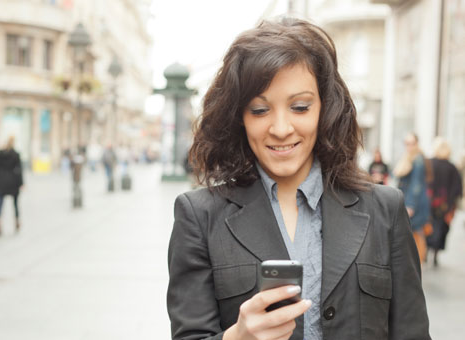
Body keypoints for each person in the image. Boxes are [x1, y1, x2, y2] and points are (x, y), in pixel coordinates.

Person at [167, 18, 430, 340]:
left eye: (300, 107)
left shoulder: (384, 209)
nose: (281, 128)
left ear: (325, 108)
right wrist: (238, 337)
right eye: (259, 110)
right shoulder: (199, 215)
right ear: (238, 118)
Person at [393, 132, 431, 263]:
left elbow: (416, 184)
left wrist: (411, 205)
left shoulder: (417, 160)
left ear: (416, 144)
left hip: (415, 202)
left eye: (411, 143)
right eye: (406, 143)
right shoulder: (408, 158)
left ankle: (418, 261)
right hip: (411, 200)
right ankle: (415, 261)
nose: (409, 146)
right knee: (413, 231)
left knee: (415, 231)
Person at [426, 137, 463, 267]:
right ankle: (435, 253)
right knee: (441, 228)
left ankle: (427, 251)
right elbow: (457, 188)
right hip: (445, 204)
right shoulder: (452, 167)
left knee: (429, 225)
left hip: (430, 202)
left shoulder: (429, 163)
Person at [0, 136, 23, 236]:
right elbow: (19, 170)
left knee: (0, 203)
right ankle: (17, 221)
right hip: (13, 182)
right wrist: (21, 183)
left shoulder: (0, 154)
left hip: (2, 181)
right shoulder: (16, 154)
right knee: (15, 203)